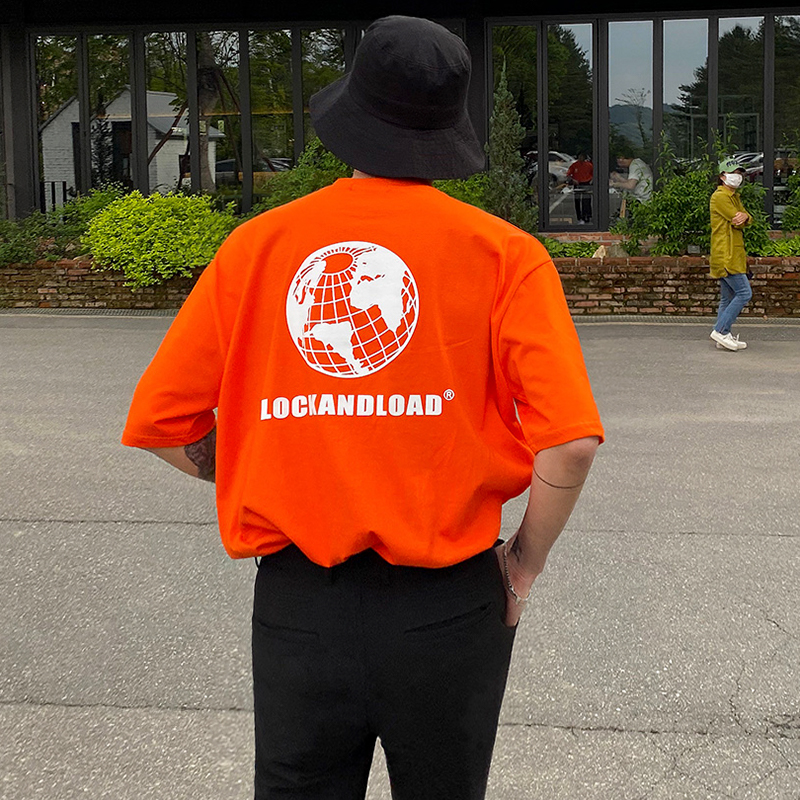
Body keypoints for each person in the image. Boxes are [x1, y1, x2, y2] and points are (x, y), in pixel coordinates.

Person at [121, 15, 604, 800]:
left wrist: (275, 474)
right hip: (449, 603)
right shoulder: (507, 255)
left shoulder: (257, 247)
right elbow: (571, 443)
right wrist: (523, 564)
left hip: (300, 601)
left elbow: (161, 424)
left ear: (351, 116)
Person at [709, 158, 753, 351]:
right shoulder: (720, 197)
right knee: (744, 293)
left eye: (739, 173)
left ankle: (723, 335)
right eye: (733, 173)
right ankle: (720, 330)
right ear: (722, 176)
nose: (737, 176)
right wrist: (744, 217)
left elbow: (746, 217)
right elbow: (737, 219)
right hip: (726, 255)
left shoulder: (734, 196)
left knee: (727, 298)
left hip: (732, 253)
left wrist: (746, 216)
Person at [566, 153, 593, 223]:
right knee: (577, 200)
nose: (581, 158)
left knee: (586, 200)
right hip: (577, 183)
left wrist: (591, 181)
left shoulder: (589, 165)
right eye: (580, 157)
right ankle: (579, 216)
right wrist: (572, 180)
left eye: (582, 157)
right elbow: (568, 174)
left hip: (586, 183)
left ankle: (587, 215)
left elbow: (593, 174)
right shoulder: (574, 165)